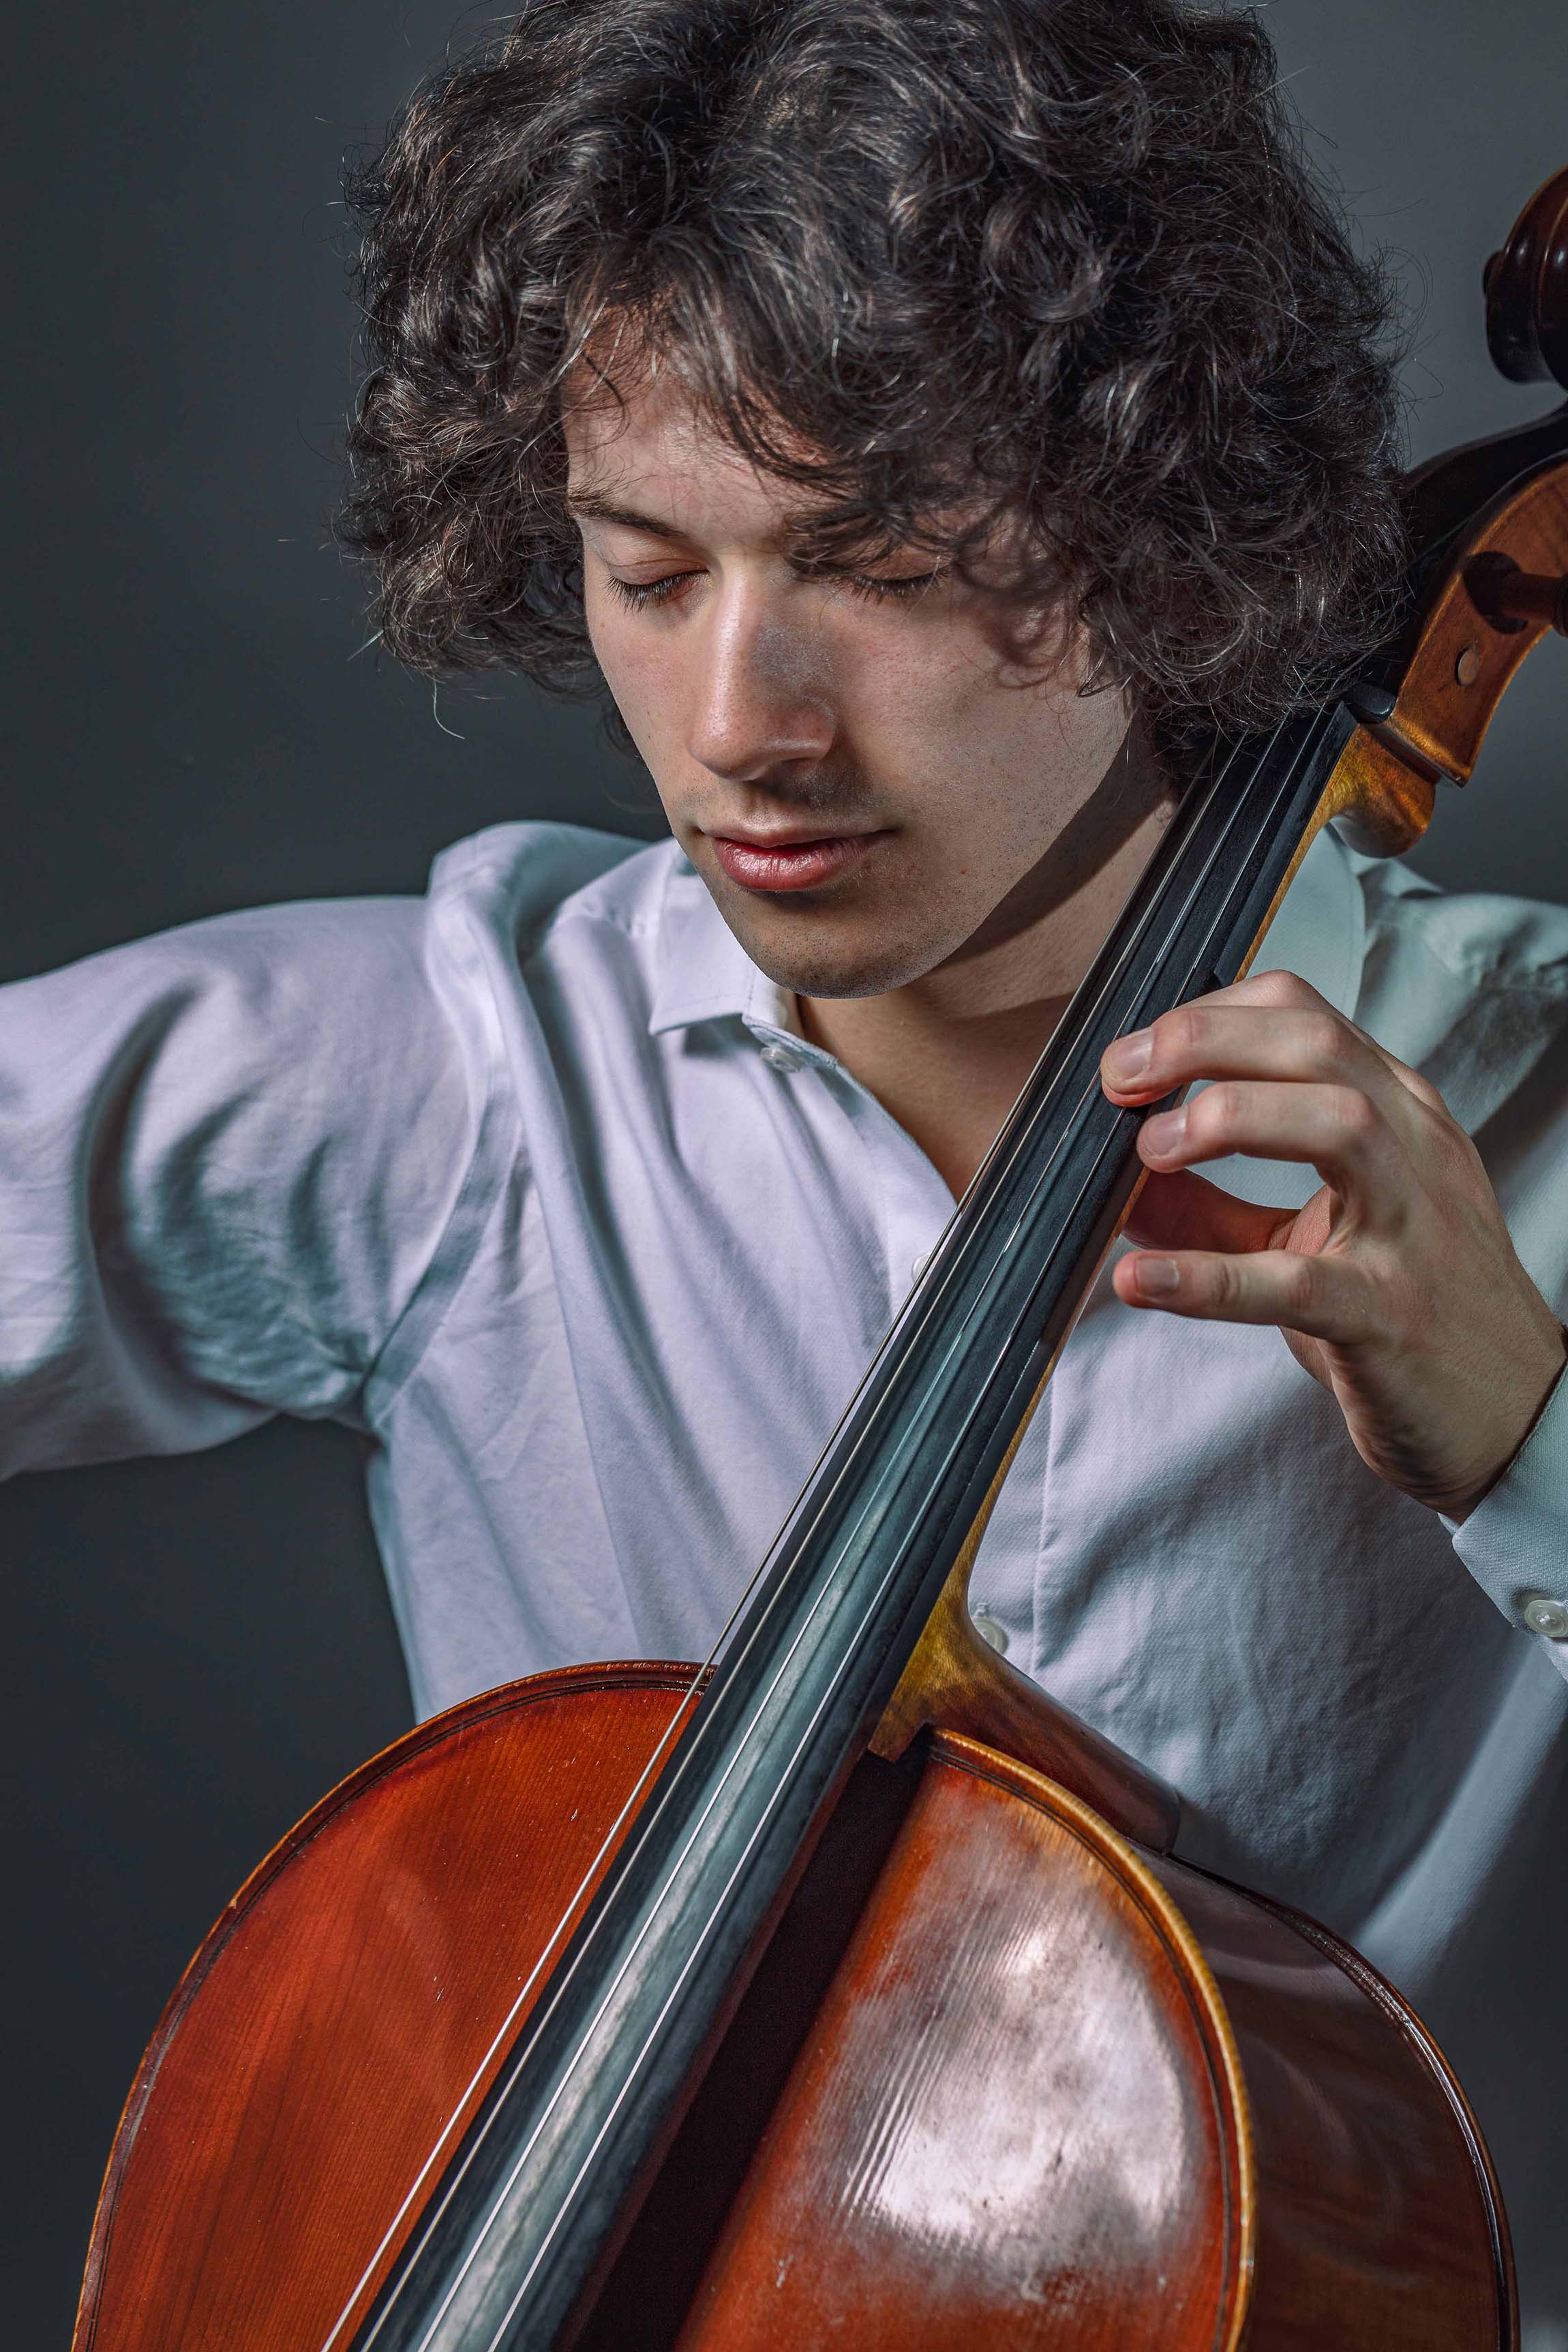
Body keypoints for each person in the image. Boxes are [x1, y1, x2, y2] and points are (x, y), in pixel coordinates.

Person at [5, 0, 1567, 2334]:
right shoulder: (471, 1076)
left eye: (892, 563)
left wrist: (1531, 1433)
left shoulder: (1532, 1109)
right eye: (651, 572)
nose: (745, 723)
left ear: (1163, 529)